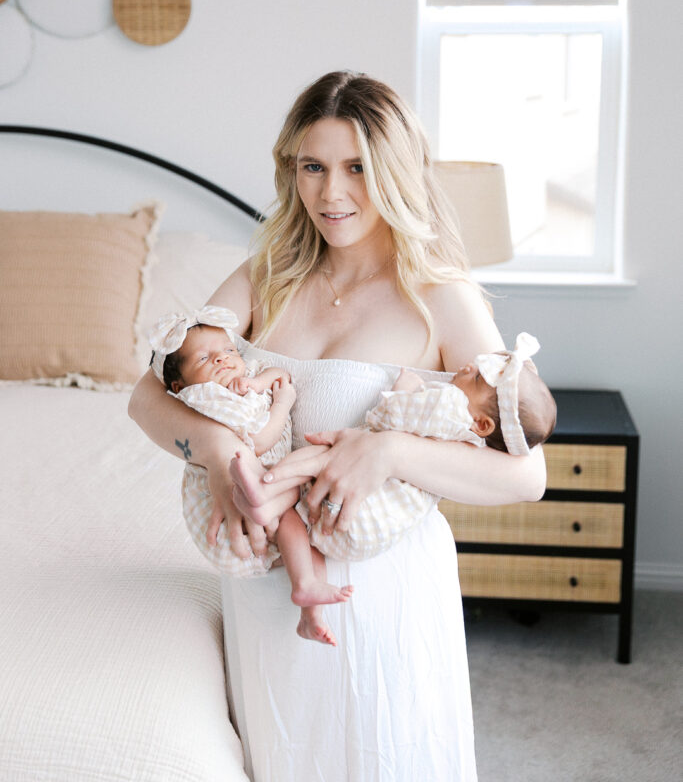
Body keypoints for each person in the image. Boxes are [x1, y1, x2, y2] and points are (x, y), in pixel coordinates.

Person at [129, 70, 547, 782]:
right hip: (266, 589)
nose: (330, 194)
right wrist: (216, 448)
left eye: (357, 168)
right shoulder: (266, 274)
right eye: (312, 167)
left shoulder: (439, 296)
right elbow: (147, 396)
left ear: (396, 171)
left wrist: (387, 451)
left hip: (382, 593)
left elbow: (524, 475)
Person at [232, 331, 556, 563]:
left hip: (367, 505)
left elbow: (399, 414)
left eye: (477, 378)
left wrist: (405, 392)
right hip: (368, 521)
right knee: (314, 471)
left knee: (314, 458)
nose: (469, 367)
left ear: (483, 425)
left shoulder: (450, 409)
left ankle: (267, 484)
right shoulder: (470, 427)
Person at [147, 306, 353, 646]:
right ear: (178, 384)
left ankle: (310, 608)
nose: (222, 360)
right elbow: (259, 439)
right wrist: (282, 405)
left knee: (303, 534)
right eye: (204, 359)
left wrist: (258, 381)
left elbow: (276, 372)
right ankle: (262, 505)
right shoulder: (205, 398)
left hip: (275, 478)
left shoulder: (243, 375)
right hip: (246, 475)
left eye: (228, 351)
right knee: (295, 504)